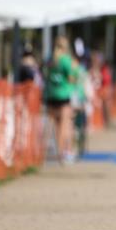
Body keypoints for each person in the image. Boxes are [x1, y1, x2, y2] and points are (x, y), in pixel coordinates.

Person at [45, 36, 78, 165]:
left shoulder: (50, 59)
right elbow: (71, 78)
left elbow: (47, 75)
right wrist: (75, 72)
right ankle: (61, 153)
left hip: (51, 95)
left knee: (53, 125)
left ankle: (45, 153)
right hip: (63, 96)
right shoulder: (65, 60)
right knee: (64, 126)